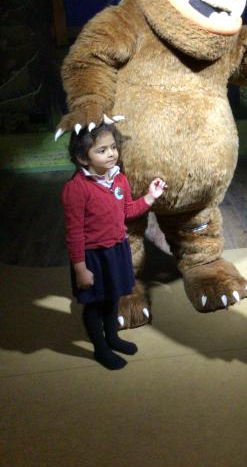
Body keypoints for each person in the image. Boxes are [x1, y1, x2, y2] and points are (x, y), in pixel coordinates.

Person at [62, 123, 167, 370]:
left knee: (112, 299)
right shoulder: (75, 189)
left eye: (113, 147)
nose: (111, 153)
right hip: (92, 257)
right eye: (102, 150)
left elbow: (127, 211)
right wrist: (80, 269)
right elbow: (74, 233)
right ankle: (100, 349)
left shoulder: (119, 179)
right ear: (82, 158)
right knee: (95, 304)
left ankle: (112, 337)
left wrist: (150, 197)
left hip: (117, 250)